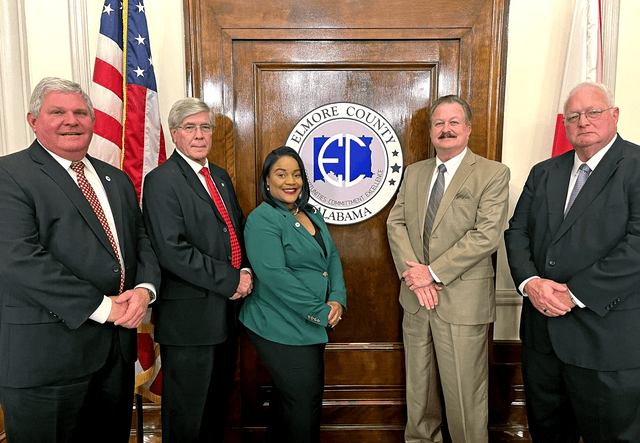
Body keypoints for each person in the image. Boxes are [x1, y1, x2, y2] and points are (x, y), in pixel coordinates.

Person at [0, 77, 160, 443]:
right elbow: (20, 260)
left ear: (93, 120)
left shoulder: (115, 179)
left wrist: (144, 290)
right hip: (46, 362)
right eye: (57, 112)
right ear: (32, 120)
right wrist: (105, 307)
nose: (71, 120)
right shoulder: (8, 175)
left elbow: (140, 240)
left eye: (80, 112)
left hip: (113, 358)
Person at [504, 82, 640, 442]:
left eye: (593, 112)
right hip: (542, 339)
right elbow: (516, 233)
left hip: (605, 339)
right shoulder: (544, 172)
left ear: (614, 115)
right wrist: (530, 283)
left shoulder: (637, 166)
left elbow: (638, 246)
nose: (583, 122)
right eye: (574, 116)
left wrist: (573, 293)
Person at [387, 95, 510, 443]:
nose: (446, 129)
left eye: (454, 122)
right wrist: (414, 275)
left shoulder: (492, 173)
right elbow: (396, 225)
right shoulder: (414, 173)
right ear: (430, 132)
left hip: (462, 301)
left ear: (468, 129)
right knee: (419, 392)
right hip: (415, 299)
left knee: (464, 395)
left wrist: (433, 272)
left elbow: (486, 236)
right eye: (439, 123)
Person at [142, 97, 253, 442]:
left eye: (205, 126)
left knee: (216, 407)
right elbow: (172, 251)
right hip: (189, 322)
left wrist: (246, 271)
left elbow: (235, 229)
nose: (199, 134)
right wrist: (232, 279)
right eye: (190, 127)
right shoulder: (161, 180)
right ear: (175, 134)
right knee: (188, 416)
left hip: (225, 315)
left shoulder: (218, 175)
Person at [239, 146, 347, 443]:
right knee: (303, 405)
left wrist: (337, 298)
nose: (291, 181)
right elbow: (275, 276)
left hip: (310, 323)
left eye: (297, 174)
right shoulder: (262, 219)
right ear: (267, 181)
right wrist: (321, 311)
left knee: (288, 402)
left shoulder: (310, 214)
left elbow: (332, 259)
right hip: (278, 325)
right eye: (281, 174)